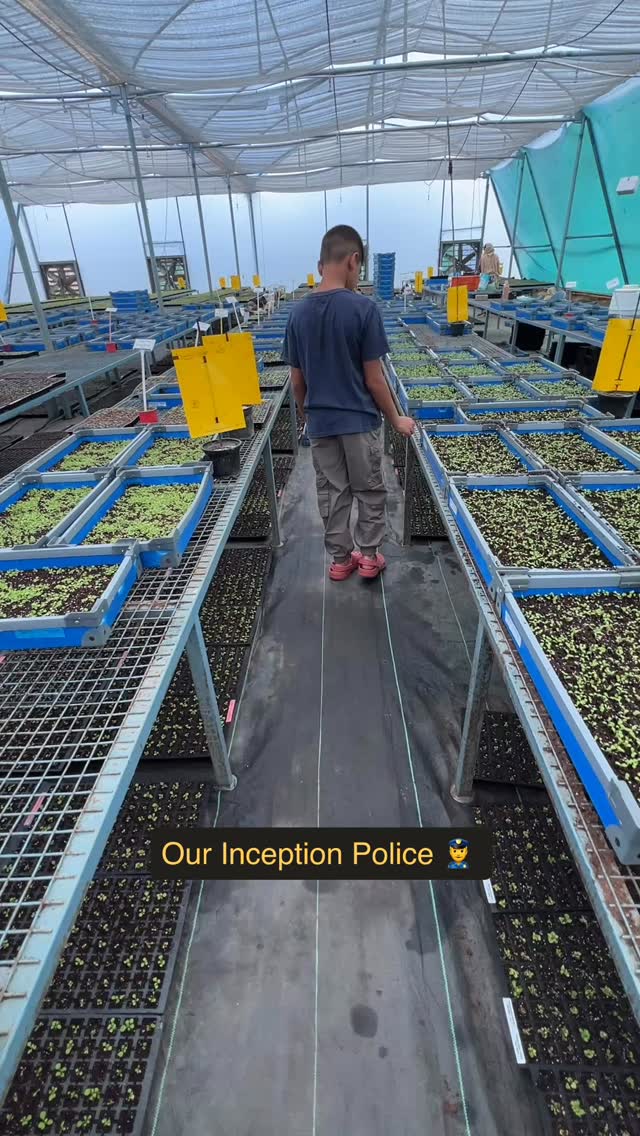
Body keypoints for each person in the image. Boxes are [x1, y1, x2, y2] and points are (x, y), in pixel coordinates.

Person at [284, 224, 415, 582]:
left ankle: (341, 560)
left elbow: (297, 380)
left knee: (332, 492)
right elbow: (375, 378)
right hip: (359, 422)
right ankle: (370, 557)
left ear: (320, 263)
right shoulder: (363, 309)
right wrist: (397, 418)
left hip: (322, 425)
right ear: (353, 261)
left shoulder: (297, 314)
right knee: (369, 488)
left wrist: (306, 416)